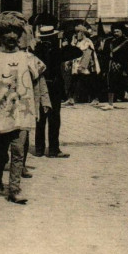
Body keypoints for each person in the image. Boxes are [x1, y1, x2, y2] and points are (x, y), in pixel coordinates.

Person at [0, 12, 46, 205]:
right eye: (7, 32)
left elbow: (39, 81)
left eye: (16, 32)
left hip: (23, 112)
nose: (12, 36)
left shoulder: (28, 58)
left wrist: (42, 102)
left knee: (18, 151)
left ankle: (14, 188)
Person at [33, 25, 78, 158]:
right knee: (54, 119)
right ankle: (53, 149)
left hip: (40, 86)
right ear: (53, 37)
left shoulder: (36, 50)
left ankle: (39, 149)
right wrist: (68, 43)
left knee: (40, 118)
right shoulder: (57, 51)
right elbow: (77, 52)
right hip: (54, 87)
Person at [100, 22, 128, 110]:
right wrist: (104, 69)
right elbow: (105, 56)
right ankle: (110, 104)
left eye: (118, 31)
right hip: (111, 66)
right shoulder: (109, 41)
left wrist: (127, 69)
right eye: (114, 31)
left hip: (123, 66)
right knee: (110, 84)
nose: (116, 33)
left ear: (122, 31)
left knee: (127, 84)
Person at [69, 24, 99, 104]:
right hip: (76, 64)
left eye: (78, 32)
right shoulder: (76, 42)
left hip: (85, 64)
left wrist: (83, 65)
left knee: (89, 81)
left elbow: (88, 54)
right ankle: (71, 98)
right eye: (76, 32)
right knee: (74, 80)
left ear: (82, 33)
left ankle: (95, 98)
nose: (76, 34)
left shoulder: (88, 42)